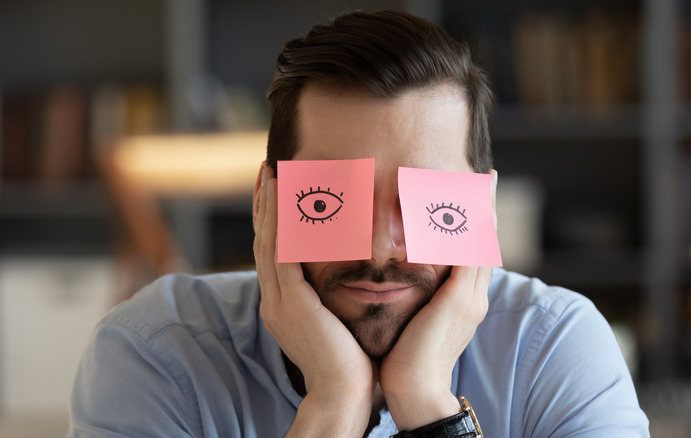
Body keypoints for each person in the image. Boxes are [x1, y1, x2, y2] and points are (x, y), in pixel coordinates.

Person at [68, 9, 649, 437]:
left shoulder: (555, 347)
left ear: (480, 209)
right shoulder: (154, 356)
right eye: (326, 201)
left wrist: (426, 403)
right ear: (265, 202)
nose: (378, 247)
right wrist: (333, 404)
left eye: (425, 202)